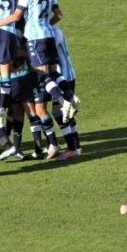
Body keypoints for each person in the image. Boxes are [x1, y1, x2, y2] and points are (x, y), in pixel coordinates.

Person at [0, 0, 78, 124]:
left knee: (43, 74)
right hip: (49, 35)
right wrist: (45, 24)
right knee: (54, 72)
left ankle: (64, 101)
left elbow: (16, 16)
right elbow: (59, 15)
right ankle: (70, 96)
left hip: (35, 38)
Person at [51, 25, 82, 161]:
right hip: (68, 74)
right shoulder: (55, 30)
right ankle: (76, 146)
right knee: (66, 112)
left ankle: (72, 148)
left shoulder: (49, 34)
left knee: (59, 112)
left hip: (61, 77)